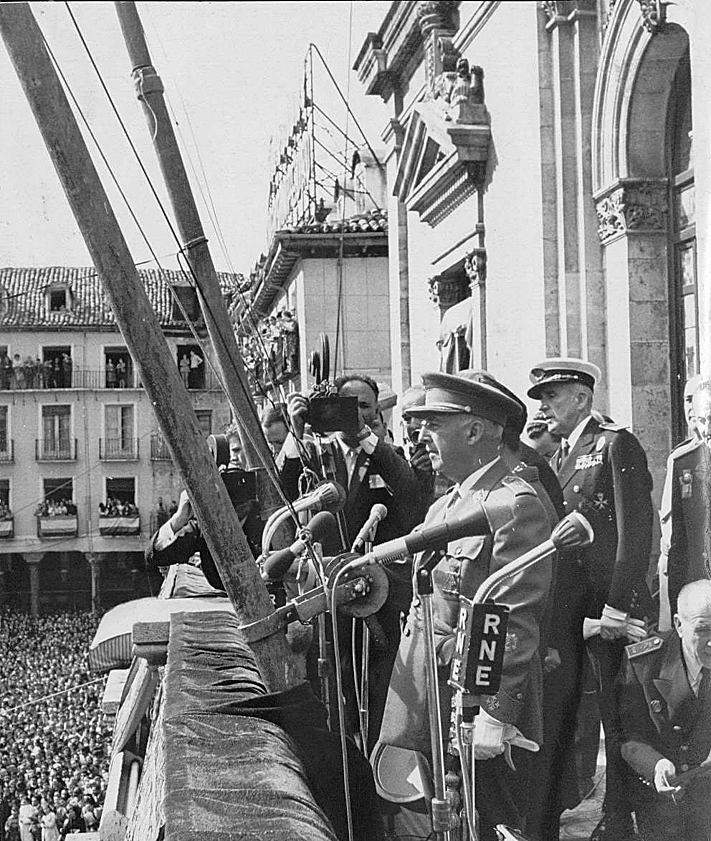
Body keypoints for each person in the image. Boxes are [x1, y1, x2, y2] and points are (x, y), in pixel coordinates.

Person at [377, 371, 553, 841]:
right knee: (450, 824)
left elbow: (513, 614)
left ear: (475, 430)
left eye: (434, 424)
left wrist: (496, 712)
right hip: (435, 698)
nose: (420, 437)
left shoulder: (514, 504)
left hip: (478, 704)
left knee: (490, 825)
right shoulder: (448, 504)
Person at [528, 357, 655, 841]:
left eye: (552, 397)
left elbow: (634, 531)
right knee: (569, 719)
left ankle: (624, 818)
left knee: (617, 719)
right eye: (541, 399)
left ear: (581, 397)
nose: (544, 408)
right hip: (572, 614)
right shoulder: (559, 455)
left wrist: (618, 608)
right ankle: (572, 814)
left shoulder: (613, 444)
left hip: (609, 609)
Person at [284, 374, 432, 749]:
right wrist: (295, 431)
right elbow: (282, 495)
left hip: (380, 596)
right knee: (335, 686)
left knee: (381, 688)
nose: (355, 414)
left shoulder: (388, 453)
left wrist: (367, 438)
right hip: (330, 595)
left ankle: (382, 771)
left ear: (377, 410)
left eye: (364, 406)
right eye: (346, 406)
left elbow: (412, 497)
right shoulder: (315, 455)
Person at [618, 578, 711, 841]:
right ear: (679, 626)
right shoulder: (645, 664)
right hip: (667, 795)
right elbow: (628, 737)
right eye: (703, 629)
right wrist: (656, 765)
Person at [657, 373, 703, 630]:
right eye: (686, 399)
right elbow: (673, 536)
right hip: (692, 584)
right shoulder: (681, 459)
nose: (690, 407)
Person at [666, 379, 711, 619]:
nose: (708, 430)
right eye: (703, 420)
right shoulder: (684, 462)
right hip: (700, 594)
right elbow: (679, 541)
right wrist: (676, 602)